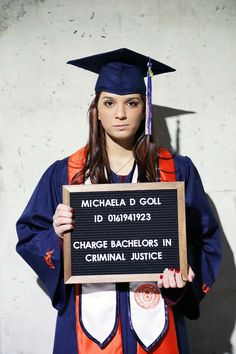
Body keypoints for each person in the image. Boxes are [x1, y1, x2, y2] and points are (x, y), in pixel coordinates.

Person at [16, 48, 222, 354]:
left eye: (132, 103)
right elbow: (30, 236)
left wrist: (183, 279)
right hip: (84, 330)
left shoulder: (175, 171)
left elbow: (206, 241)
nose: (121, 114)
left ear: (145, 109)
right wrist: (56, 237)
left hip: (159, 323)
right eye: (109, 103)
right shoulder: (65, 174)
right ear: (96, 109)